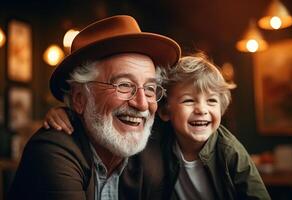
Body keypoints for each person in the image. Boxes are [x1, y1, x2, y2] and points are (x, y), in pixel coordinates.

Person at [42, 54, 271, 199]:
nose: (201, 109)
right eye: (189, 101)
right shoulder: (156, 137)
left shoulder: (229, 150)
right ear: (165, 112)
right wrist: (69, 112)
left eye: (212, 101)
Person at [8, 15, 181, 200]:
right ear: (80, 99)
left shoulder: (154, 154)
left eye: (150, 89)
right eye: (124, 85)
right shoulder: (51, 151)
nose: (142, 104)